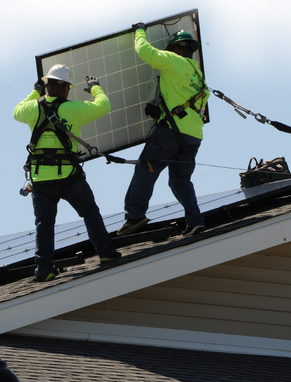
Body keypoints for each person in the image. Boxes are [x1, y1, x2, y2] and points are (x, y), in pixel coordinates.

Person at [14, 64, 121, 282]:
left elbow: (17, 111)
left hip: (41, 179)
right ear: (65, 88)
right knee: (89, 212)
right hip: (68, 177)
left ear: (47, 86)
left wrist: (35, 91)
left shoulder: (32, 109)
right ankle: (106, 254)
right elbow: (104, 106)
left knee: (44, 224)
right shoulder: (75, 109)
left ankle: (44, 269)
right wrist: (95, 88)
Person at [118, 23, 210, 237]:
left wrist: (139, 31)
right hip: (193, 136)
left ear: (176, 49)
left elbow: (145, 51)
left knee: (145, 170)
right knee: (180, 181)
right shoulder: (198, 75)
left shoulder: (173, 61)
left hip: (171, 133)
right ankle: (195, 221)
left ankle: (135, 215)